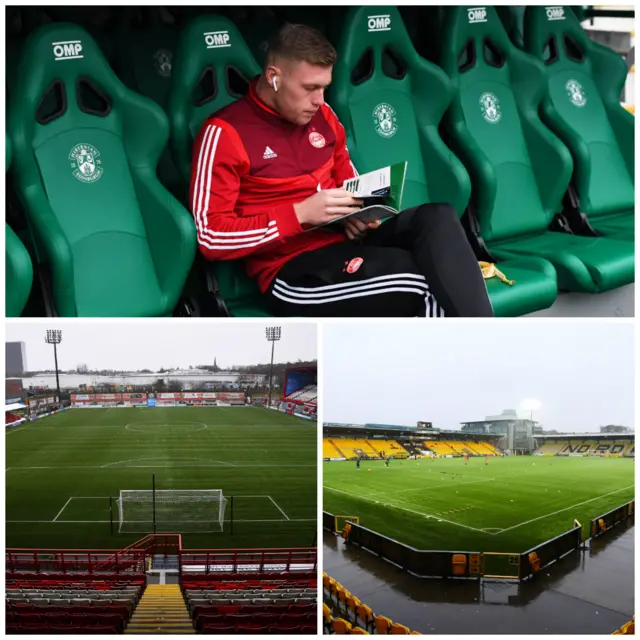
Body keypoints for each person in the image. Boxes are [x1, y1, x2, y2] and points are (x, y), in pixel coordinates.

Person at [190, 24, 494, 318]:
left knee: (438, 216)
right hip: (293, 271)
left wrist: (354, 216)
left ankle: (483, 350)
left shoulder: (322, 116)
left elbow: (347, 184)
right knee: (427, 281)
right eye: (310, 88)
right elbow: (211, 237)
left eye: (324, 88)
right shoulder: (224, 133)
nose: (319, 100)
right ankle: (479, 357)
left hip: (346, 244)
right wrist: (298, 214)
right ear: (274, 78)